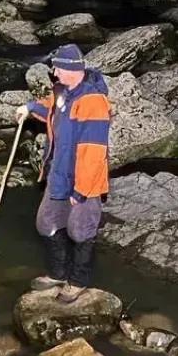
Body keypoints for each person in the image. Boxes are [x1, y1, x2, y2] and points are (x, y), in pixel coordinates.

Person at [15, 44, 111, 303]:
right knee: (46, 224)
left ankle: (78, 281)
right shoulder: (63, 91)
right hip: (59, 174)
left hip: (85, 181)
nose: (54, 73)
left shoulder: (93, 102)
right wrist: (30, 107)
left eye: (57, 68)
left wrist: (81, 191)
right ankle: (57, 274)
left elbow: (93, 153)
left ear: (70, 69)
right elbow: (53, 109)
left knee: (81, 231)